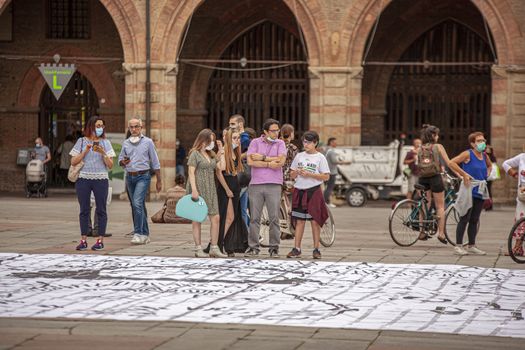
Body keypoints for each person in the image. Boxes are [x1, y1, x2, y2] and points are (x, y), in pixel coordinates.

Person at [416, 124, 471, 244]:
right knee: (440, 206)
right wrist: (460, 174)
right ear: (432, 135)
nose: (438, 137)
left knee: (425, 205)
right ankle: (441, 234)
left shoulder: (420, 148)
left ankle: (421, 232)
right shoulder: (438, 147)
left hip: (422, 179)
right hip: (435, 178)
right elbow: (449, 163)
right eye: (437, 134)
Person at [70, 116, 115, 251]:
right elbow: (73, 162)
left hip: (101, 179)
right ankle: (83, 240)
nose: (100, 128)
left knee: (101, 209)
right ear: (91, 126)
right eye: (97, 125)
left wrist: (103, 153)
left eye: (102, 126)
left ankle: (100, 240)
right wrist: (85, 151)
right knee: (84, 209)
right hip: (83, 179)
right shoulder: (81, 141)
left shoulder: (106, 143)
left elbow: (110, 165)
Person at [245, 118, 287, 257]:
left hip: (274, 184)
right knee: (254, 218)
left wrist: (262, 158)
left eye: (277, 130)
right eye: (273, 131)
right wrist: (270, 162)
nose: (276, 133)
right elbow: (250, 161)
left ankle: (274, 247)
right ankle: (253, 247)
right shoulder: (255, 142)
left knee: (274, 217)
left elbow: (280, 161)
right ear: (265, 131)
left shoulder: (280, 143)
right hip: (256, 184)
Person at [286, 131, 331, 259]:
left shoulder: (320, 157)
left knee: (315, 221)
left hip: (313, 191)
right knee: (299, 221)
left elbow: (326, 176)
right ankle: (297, 248)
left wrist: (310, 174)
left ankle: (316, 249)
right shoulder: (299, 156)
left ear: (315, 143)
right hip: (299, 190)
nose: (305, 144)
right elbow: (292, 174)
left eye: (309, 142)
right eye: (304, 141)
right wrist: (297, 173)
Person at [118, 118, 162, 245]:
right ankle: (145, 234)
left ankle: (138, 233)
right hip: (130, 177)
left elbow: (155, 161)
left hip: (143, 176)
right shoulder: (126, 143)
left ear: (141, 127)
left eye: (136, 126)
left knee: (137, 203)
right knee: (137, 205)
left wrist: (159, 180)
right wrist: (122, 162)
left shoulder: (148, 142)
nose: (133, 129)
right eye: (131, 127)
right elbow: (120, 160)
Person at [186, 129, 227, 258]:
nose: (213, 143)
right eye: (211, 140)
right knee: (197, 219)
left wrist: (220, 151)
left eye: (213, 140)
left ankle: (214, 247)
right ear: (203, 141)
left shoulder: (212, 154)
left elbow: (221, 168)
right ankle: (198, 248)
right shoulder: (195, 154)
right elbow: (191, 172)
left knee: (215, 217)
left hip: (210, 187)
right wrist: (194, 190)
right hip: (198, 187)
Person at [451, 132, 492, 255]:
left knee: (475, 219)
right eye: (479, 141)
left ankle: (471, 245)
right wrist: (463, 174)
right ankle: (458, 246)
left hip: (480, 189)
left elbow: (490, 166)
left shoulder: (485, 156)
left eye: (483, 140)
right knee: (464, 218)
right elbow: (452, 162)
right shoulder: (467, 154)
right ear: (473, 143)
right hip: (469, 189)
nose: (482, 143)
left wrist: (488, 173)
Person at [216, 128, 249, 256]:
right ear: (229, 139)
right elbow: (219, 172)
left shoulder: (236, 152)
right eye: (234, 138)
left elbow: (235, 170)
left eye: (238, 138)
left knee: (232, 217)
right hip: (227, 187)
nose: (237, 140)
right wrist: (227, 189)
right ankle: (219, 244)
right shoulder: (224, 152)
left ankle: (225, 244)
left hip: (235, 186)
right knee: (228, 217)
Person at [229, 115, 252, 229]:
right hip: (240, 176)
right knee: (241, 208)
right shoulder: (233, 136)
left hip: (241, 176)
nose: (230, 126)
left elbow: (248, 153)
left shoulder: (245, 138)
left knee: (238, 208)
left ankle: (246, 234)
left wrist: (234, 157)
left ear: (240, 124)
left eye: (233, 124)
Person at [502, 147, 525, 256]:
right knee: (520, 221)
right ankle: (518, 248)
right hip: (522, 196)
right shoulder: (521, 157)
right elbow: (505, 164)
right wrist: (514, 173)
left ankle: (517, 248)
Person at [280, 124, 299, 239]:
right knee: (293, 205)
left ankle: (284, 230)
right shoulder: (293, 148)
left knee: (282, 205)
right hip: (290, 180)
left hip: (277, 178)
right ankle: (291, 229)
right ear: (291, 134)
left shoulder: (277, 144)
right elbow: (297, 164)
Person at [324, 137, 350, 207]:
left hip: (327, 171)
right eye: (335, 142)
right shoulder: (331, 151)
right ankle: (326, 203)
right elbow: (334, 161)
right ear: (331, 142)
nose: (336, 143)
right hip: (331, 172)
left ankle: (326, 202)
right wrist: (345, 162)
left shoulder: (327, 150)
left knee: (327, 188)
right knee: (329, 188)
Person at [485, 144, 497, 210]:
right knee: (485, 190)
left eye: (489, 149)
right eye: (487, 148)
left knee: (488, 190)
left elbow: (494, 165)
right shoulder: (484, 155)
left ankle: (489, 205)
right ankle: (486, 205)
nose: (488, 150)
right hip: (486, 175)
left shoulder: (491, 157)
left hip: (489, 176)